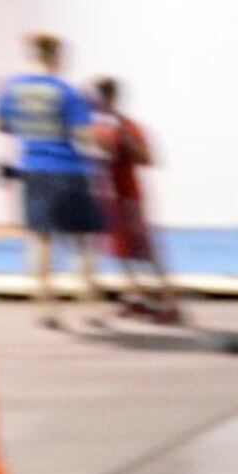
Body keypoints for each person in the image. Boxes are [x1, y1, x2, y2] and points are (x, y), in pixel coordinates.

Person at [0, 34, 104, 325]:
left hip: (33, 169)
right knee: (81, 241)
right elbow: (83, 135)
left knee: (39, 239)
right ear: (57, 57)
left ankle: (44, 306)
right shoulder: (66, 91)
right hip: (68, 170)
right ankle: (88, 307)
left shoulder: (12, 89)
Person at [87, 76, 182, 322]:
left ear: (108, 98)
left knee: (144, 251)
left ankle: (170, 304)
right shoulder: (92, 126)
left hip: (128, 196)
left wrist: (124, 141)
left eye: (97, 98)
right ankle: (136, 297)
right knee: (118, 250)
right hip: (107, 197)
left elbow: (148, 159)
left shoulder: (127, 126)